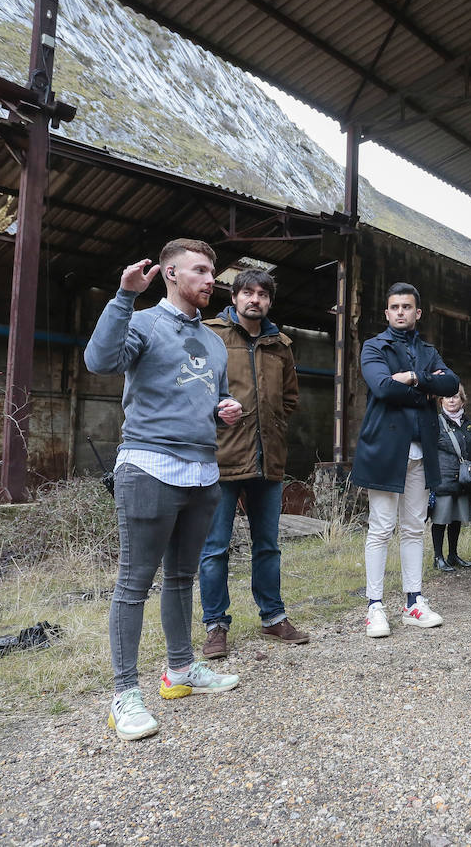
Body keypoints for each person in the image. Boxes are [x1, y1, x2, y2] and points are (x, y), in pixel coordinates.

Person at [84, 238, 242, 742]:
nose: (209, 279)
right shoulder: (142, 322)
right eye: (199, 270)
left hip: (202, 471)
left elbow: (209, 394)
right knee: (134, 583)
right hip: (149, 466)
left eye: (211, 270)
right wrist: (123, 297)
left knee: (180, 579)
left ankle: (179, 670)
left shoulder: (215, 341)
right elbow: (99, 360)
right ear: (170, 274)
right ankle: (124, 694)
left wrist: (224, 407)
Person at [196, 268, 306, 660]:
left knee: (268, 546)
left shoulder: (281, 345)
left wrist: (271, 423)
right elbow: (192, 388)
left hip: (268, 458)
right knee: (214, 548)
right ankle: (216, 627)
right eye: (247, 292)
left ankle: (273, 617)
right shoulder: (210, 334)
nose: (254, 299)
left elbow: (289, 398)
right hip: (221, 457)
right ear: (235, 296)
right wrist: (214, 416)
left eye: (261, 293)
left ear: (269, 302)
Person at [350, 282, 460, 638]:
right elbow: (382, 387)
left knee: (414, 527)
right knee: (381, 528)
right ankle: (374, 607)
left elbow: (452, 385)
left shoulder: (428, 351)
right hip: (384, 449)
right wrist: (427, 388)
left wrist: (414, 378)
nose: (400, 311)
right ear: (387, 313)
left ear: (418, 312)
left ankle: (414, 602)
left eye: (406, 307)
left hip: (420, 449)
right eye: (394, 306)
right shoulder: (373, 346)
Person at [431, 386, 471, 572]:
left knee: (457, 518)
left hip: (464, 478)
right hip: (443, 478)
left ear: (462, 400)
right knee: (441, 518)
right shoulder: (436, 423)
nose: (451, 400)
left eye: (455, 396)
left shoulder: (469, 424)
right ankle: (438, 557)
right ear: (440, 401)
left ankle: (452, 555)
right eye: (446, 397)